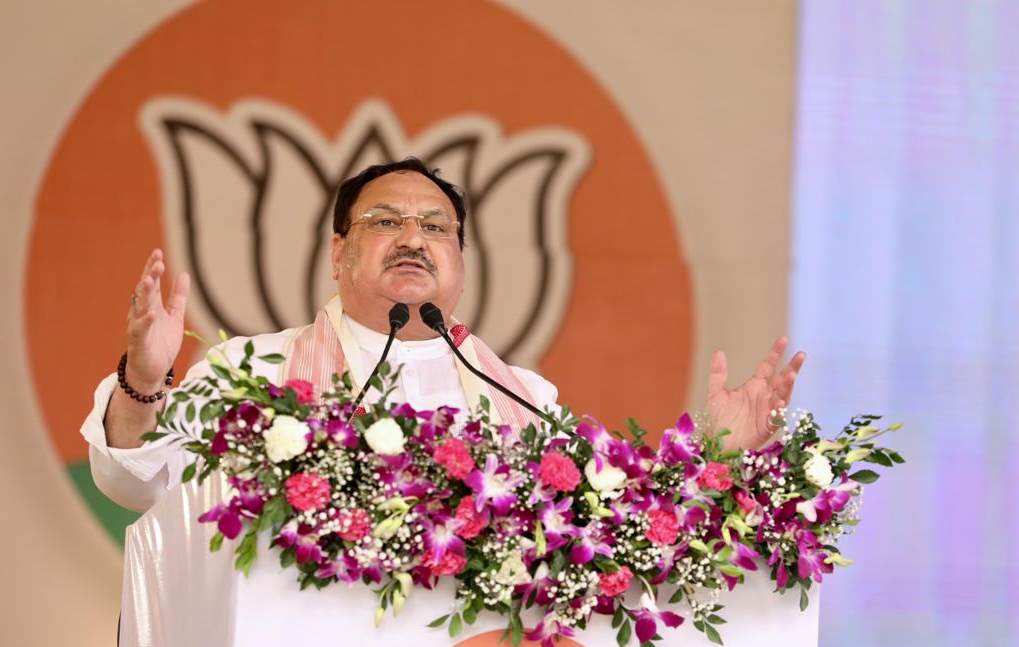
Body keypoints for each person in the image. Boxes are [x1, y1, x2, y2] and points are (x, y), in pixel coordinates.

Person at [81, 158, 805, 512]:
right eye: (384, 221)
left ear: (459, 263)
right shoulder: (253, 367)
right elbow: (131, 482)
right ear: (337, 253)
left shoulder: (523, 396)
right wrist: (143, 383)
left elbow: (602, 522)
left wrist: (718, 455)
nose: (412, 238)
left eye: (435, 227)